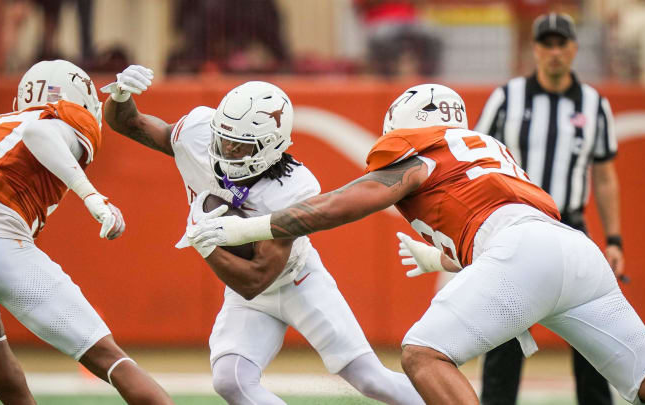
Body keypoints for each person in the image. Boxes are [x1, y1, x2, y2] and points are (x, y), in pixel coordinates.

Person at [189, 83, 645, 405]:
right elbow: (499, 224)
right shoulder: (486, 149)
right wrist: (448, 256)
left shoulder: (421, 152)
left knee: (422, 354)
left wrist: (246, 228)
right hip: (573, 249)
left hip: (523, 251)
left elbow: (338, 206)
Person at [102, 66, 426, 405]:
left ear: (272, 147)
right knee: (231, 380)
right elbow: (130, 123)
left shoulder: (294, 188)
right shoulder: (198, 133)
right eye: (222, 139)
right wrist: (120, 96)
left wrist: (204, 241)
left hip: (297, 281)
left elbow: (255, 279)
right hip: (249, 297)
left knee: (371, 379)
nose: (225, 151)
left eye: (239, 147)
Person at [0, 60, 174, 405]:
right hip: (1, 246)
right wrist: (94, 198)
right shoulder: (64, 116)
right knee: (110, 359)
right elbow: (38, 133)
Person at [474, 12, 624, 405]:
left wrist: (614, 239)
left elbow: (605, 177)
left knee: (593, 337)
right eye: (547, 44)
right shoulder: (507, 98)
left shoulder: (594, 104)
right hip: (516, 225)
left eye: (562, 44)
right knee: (503, 335)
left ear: (574, 48)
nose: (555, 52)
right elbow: (477, 166)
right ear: (534, 49)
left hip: (572, 227)